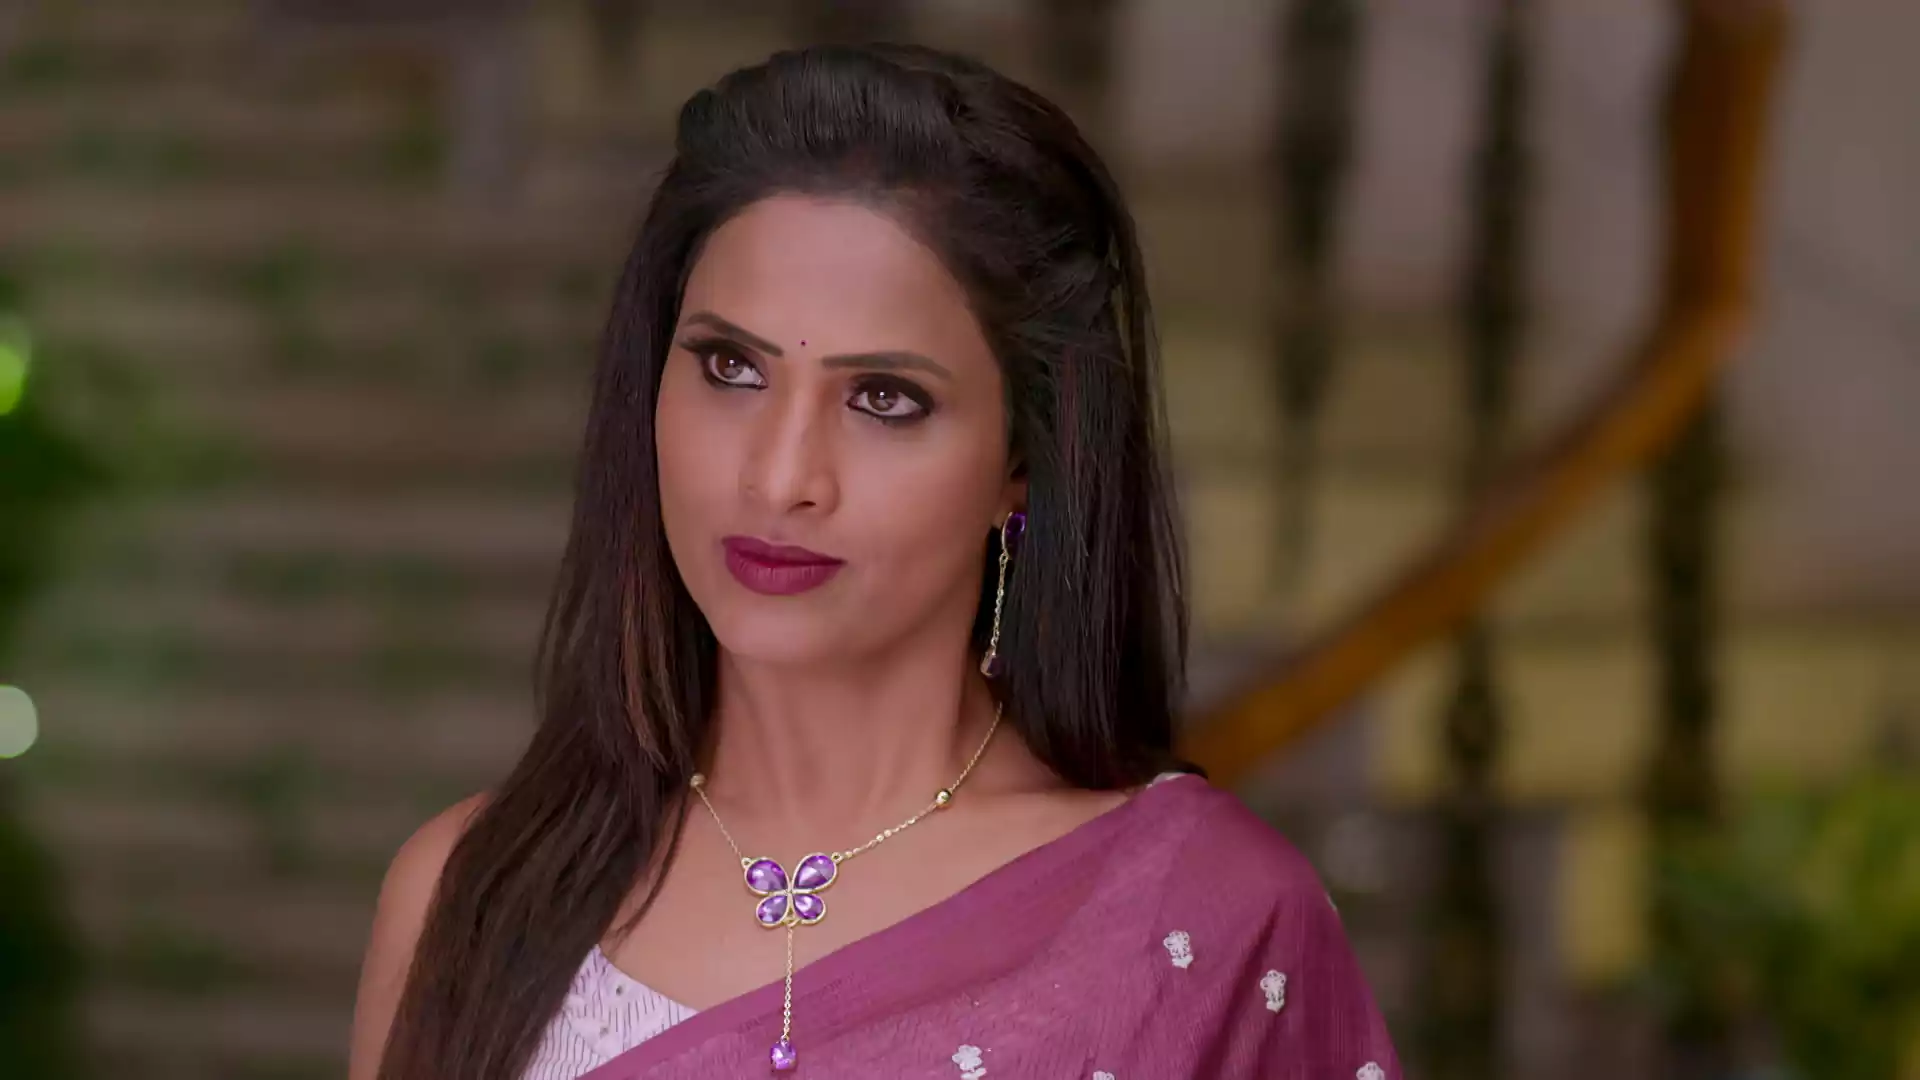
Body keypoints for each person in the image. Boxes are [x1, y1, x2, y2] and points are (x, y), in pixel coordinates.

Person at [349, 42, 1402, 1080]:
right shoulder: (472, 897)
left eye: (884, 399)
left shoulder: (1202, 926)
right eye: (730, 367)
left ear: (1023, 462)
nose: (781, 477)